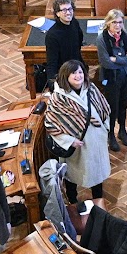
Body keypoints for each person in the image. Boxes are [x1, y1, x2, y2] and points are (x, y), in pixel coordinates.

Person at [46, 60, 112, 211]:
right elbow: (51, 123)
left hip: (95, 141)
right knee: (72, 175)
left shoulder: (91, 88)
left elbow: (104, 108)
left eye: (80, 72)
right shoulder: (59, 98)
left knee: (96, 171)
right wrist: (69, 141)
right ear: (66, 76)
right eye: (74, 73)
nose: (78, 75)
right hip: (76, 145)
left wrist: (104, 129)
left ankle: (98, 202)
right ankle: (73, 202)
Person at [96, 9, 127, 150]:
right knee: (112, 107)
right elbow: (106, 62)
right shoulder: (102, 39)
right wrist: (124, 59)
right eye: (114, 22)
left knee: (123, 105)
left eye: (120, 22)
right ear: (108, 23)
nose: (117, 25)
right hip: (110, 78)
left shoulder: (126, 36)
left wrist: (117, 59)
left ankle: (122, 131)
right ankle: (111, 134)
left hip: (125, 76)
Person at [44, 0, 85, 82]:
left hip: (77, 67)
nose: (68, 13)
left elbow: (79, 44)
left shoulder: (74, 23)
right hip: (64, 74)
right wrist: (52, 83)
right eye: (64, 10)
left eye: (70, 9)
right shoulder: (52, 36)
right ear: (57, 13)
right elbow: (52, 63)